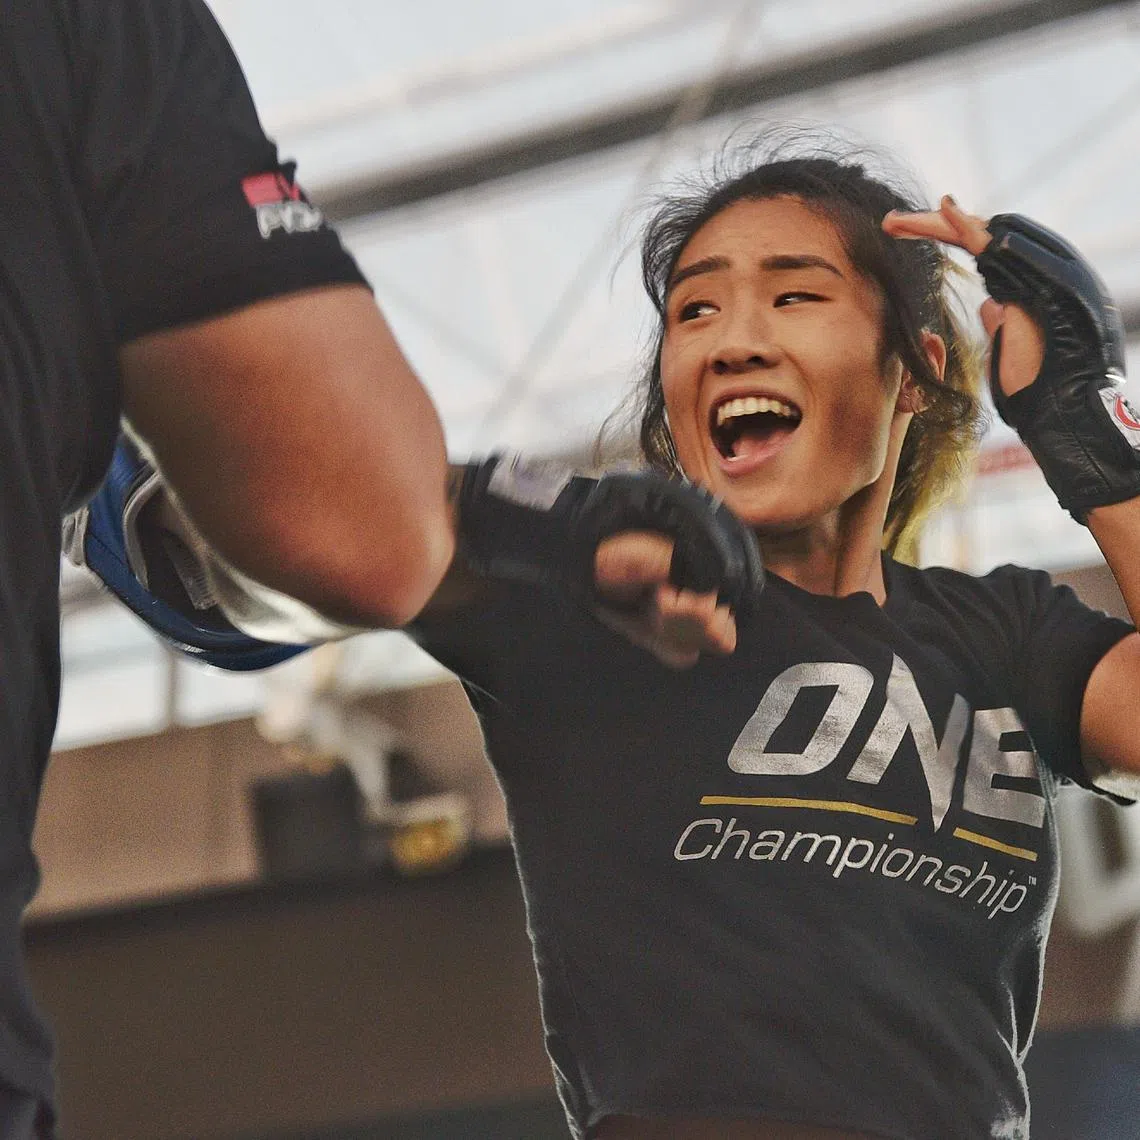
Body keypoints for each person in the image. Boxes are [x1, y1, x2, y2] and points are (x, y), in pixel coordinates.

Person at [406, 141, 1140, 1139]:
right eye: (694, 311)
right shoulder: (604, 605)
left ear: (918, 370)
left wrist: (1094, 433)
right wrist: (525, 517)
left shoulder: (1003, 634)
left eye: (795, 297)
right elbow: (286, 516)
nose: (732, 342)